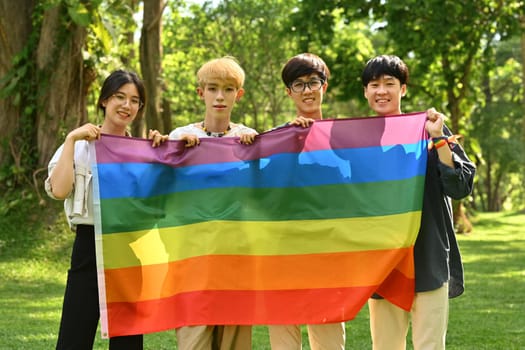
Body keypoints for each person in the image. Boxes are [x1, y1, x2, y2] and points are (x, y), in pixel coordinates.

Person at [361, 55, 476, 350]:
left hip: (428, 255)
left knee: (430, 345)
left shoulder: (430, 128)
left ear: (403, 89)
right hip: (383, 261)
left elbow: (460, 185)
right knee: (385, 345)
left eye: (390, 83)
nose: (382, 91)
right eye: (374, 84)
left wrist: (438, 138)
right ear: (366, 92)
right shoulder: (359, 142)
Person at [150, 56, 257, 349]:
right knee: (193, 339)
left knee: (234, 340)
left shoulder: (247, 139)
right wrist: (173, 152)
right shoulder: (182, 136)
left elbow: (261, 193)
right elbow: (157, 184)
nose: (220, 96)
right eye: (212, 88)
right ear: (201, 92)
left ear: (239, 94)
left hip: (236, 255)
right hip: (192, 257)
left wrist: (256, 154)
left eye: (228, 89)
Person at [45, 69, 145, 350]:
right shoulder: (78, 147)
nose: (127, 106)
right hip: (88, 247)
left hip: (127, 249)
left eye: (135, 100)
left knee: (127, 343)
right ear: (104, 100)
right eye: (119, 97)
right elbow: (59, 190)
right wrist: (70, 140)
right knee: (73, 339)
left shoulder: (142, 151)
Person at [266, 53, 346, 350]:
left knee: (329, 342)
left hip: (327, 255)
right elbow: (267, 192)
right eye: (298, 84)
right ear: (289, 93)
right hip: (283, 254)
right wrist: (292, 141)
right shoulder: (275, 139)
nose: (307, 90)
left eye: (314, 82)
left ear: (325, 86)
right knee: (284, 341)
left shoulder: (344, 139)